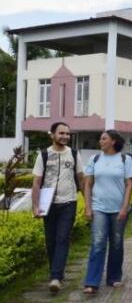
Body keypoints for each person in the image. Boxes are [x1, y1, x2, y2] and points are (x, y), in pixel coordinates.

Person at [31, 122, 84, 293]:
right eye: (61, 133)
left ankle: (55, 277)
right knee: (51, 241)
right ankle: (57, 273)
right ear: (52, 135)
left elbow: (81, 180)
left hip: (68, 202)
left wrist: (89, 204)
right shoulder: (44, 155)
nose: (65, 137)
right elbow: (36, 183)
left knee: (62, 239)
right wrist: (35, 206)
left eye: (67, 134)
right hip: (48, 205)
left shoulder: (74, 154)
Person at [82, 130, 132, 294]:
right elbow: (88, 184)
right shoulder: (94, 159)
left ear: (113, 141)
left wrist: (124, 207)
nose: (100, 141)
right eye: (100, 138)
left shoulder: (125, 159)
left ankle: (114, 277)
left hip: (118, 209)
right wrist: (87, 206)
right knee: (98, 243)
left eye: (104, 138)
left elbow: (129, 185)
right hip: (99, 208)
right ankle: (91, 282)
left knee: (117, 243)